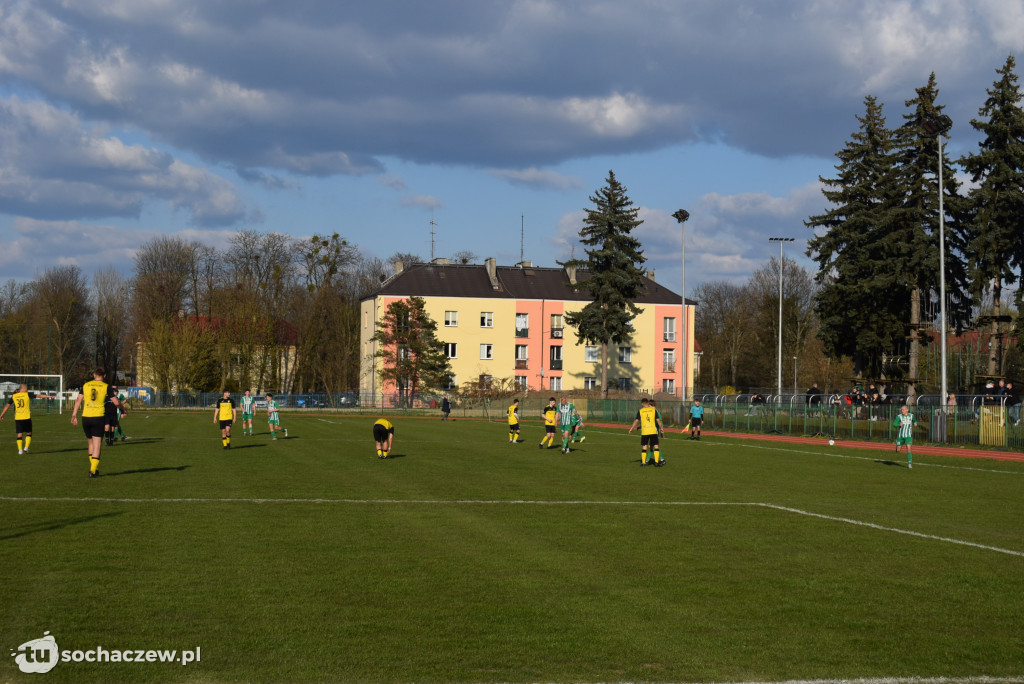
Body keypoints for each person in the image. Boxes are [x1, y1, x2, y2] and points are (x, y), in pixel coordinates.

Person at [70, 368, 125, 478]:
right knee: (97, 444)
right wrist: (122, 409)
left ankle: (95, 469)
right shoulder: (106, 386)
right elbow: (115, 402)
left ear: (94, 375)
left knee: (90, 444)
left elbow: (78, 400)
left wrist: (74, 415)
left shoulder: (86, 385)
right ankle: (92, 470)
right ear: (104, 376)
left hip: (85, 417)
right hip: (98, 417)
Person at [0, 383, 54, 454]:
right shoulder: (27, 394)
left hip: (18, 418)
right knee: (29, 432)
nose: (27, 389)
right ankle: (26, 447)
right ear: (23, 388)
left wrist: (2, 414)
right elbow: (39, 395)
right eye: (26, 388)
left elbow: (7, 405)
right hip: (26, 417)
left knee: (19, 433)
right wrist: (49, 396)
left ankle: (20, 450)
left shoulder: (14, 396)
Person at [629, 398, 664, 466]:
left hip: (645, 431)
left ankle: (643, 463)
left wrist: (631, 429)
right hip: (653, 431)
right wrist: (661, 428)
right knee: (656, 446)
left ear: (642, 404)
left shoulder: (640, 411)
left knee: (644, 447)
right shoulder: (653, 410)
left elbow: (636, 421)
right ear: (648, 403)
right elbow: (658, 420)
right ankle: (656, 462)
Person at [893, 404, 917, 469]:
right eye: (901, 410)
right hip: (900, 436)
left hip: (908, 435)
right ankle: (897, 445)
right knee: (898, 450)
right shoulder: (899, 417)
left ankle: (909, 463)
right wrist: (898, 424)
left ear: (907, 410)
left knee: (909, 448)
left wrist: (915, 423)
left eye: (903, 409)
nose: (902, 411)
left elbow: (914, 420)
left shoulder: (911, 416)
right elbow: (894, 424)